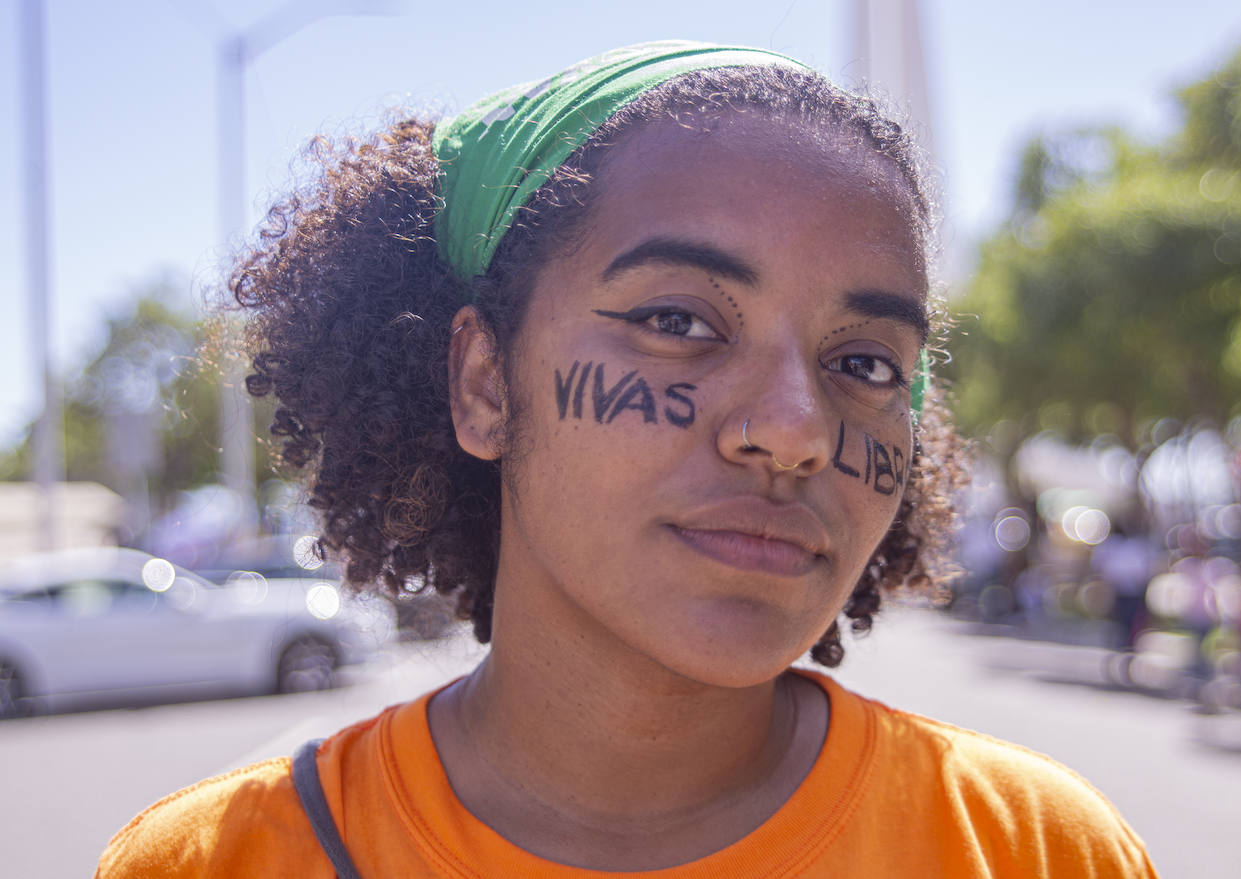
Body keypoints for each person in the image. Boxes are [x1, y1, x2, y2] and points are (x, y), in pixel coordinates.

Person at [96, 42, 1157, 877]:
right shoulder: (217, 863)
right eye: (677, 319)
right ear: (483, 381)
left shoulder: (1033, 850)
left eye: (866, 363)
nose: (795, 430)